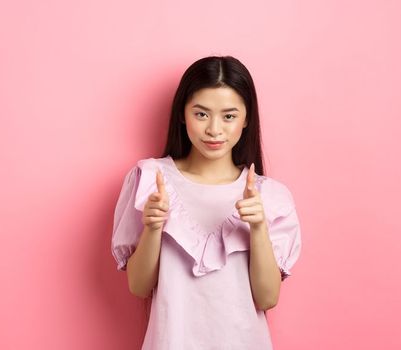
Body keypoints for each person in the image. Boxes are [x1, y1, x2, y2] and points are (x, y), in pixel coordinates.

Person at [110, 55, 302, 349]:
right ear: (182, 114)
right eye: (201, 114)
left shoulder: (270, 196)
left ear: (247, 118)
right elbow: (139, 286)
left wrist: (259, 228)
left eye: (229, 116)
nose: (214, 129)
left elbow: (267, 298)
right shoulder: (150, 179)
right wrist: (152, 227)